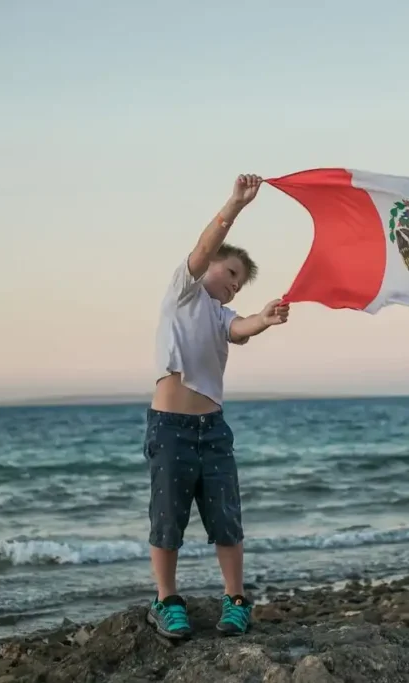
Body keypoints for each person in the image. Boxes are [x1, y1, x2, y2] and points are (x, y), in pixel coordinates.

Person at [143, 173, 289, 639]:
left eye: (239, 284)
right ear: (209, 268)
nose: (233, 286)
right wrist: (236, 205)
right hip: (171, 427)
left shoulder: (223, 314)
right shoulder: (183, 291)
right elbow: (206, 247)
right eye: (230, 274)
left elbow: (240, 328)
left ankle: (236, 600)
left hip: (213, 430)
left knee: (226, 518)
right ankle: (166, 601)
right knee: (168, 518)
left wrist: (264, 319)